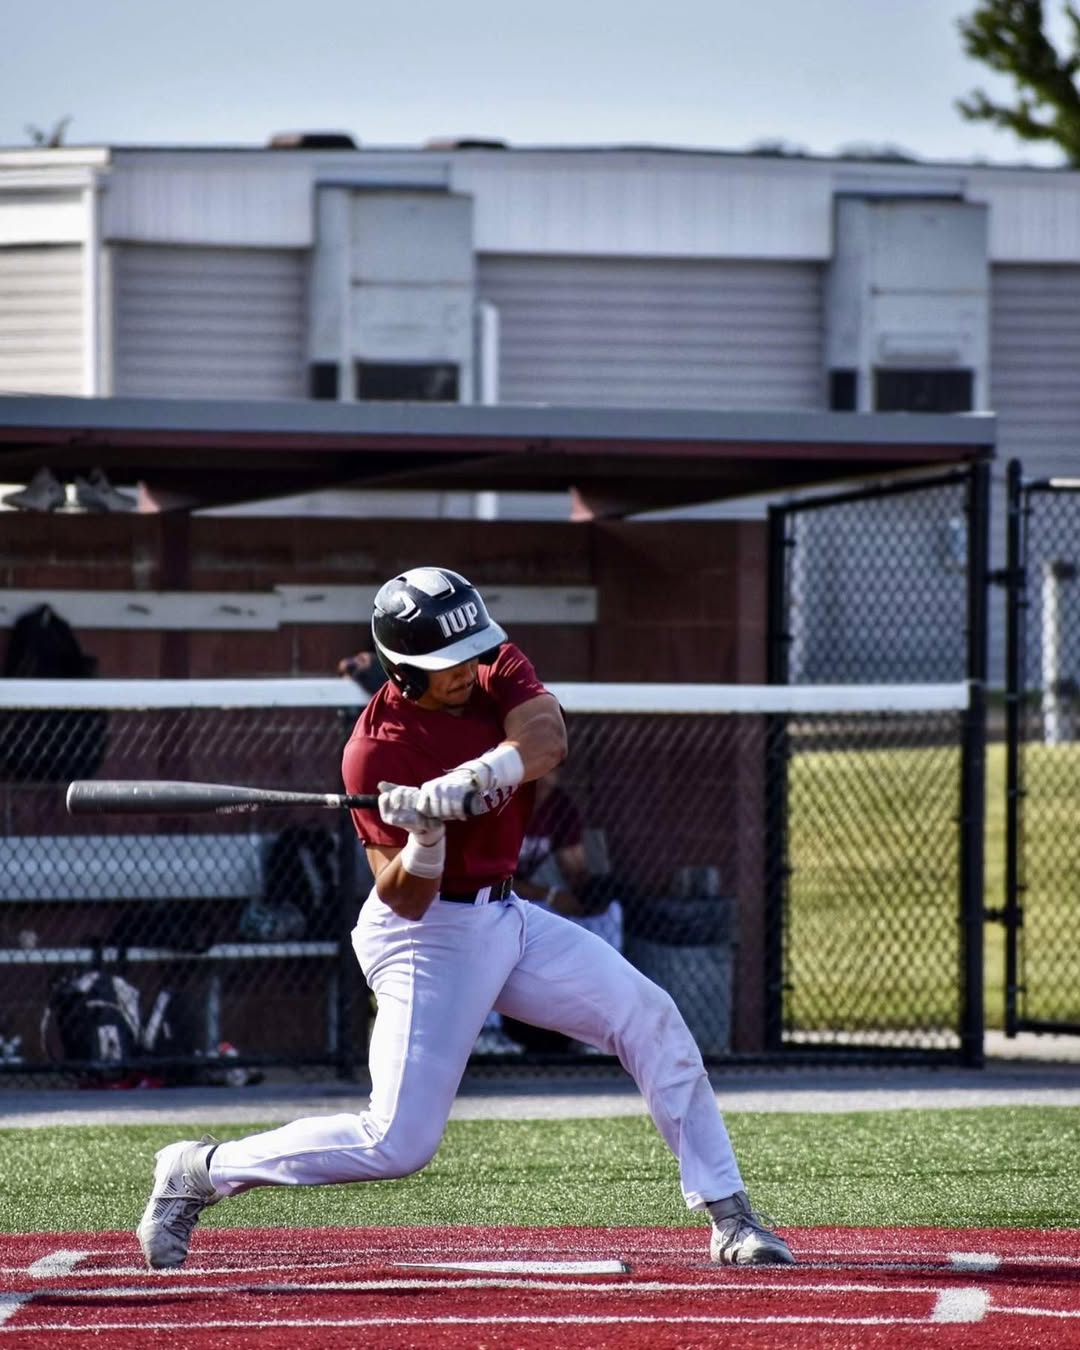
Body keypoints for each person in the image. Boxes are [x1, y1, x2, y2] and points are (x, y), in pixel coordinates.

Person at [135, 565, 794, 1271]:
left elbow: (546, 736)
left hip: (506, 914)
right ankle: (201, 1170)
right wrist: (425, 837)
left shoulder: (490, 661)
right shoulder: (375, 750)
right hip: (426, 938)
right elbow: (404, 898)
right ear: (403, 669)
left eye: (470, 652)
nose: (467, 669)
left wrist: (482, 775)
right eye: (446, 664)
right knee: (396, 1143)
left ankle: (730, 1216)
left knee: (650, 1016)